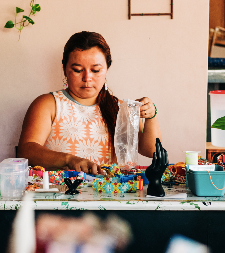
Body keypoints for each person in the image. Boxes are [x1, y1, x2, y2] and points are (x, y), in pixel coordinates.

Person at [17, 31, 162, 175]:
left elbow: (151, 150)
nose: (87, 77)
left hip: (109, 194)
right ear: (65, 69)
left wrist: (151, 115)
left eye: (96, 70)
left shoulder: (120, 108)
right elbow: (27, 151)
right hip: (61, 194)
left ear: (106, 69)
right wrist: (69, 159)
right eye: (78, 70)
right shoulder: (49, 104)